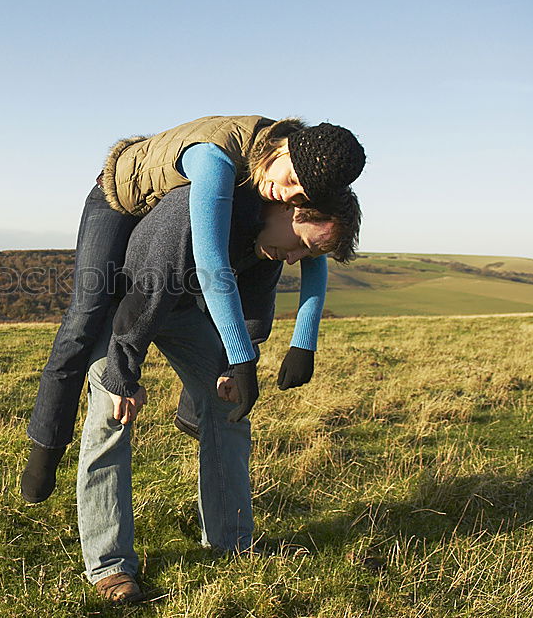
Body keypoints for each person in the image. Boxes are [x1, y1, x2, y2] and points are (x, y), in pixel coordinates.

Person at [22, 115, 366, 503]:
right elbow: (211, 263)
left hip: (174, 217)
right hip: (120, 200)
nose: (287, 195)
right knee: (86, 315)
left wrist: (303, 342)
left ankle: (194, 411)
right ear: (285, 148)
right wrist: (243, 359)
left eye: (300, 196)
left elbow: (310, 248)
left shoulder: (281, 183)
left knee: (198, 296)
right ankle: (46, 444)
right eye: (291, 182)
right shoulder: (216, 159)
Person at [76, 185, 360, 604]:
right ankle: (110, 566)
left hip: (179, 309)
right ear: (288, 207)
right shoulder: (204, 210)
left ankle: (233, 541)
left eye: (308, 256)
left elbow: (250, 311)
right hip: (123, 302)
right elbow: (144, 298)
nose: (296, 258)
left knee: (231, 407)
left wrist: (233, 367)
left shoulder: (270, 244)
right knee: (112, 415)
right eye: (302, 245)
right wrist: (123, 377)